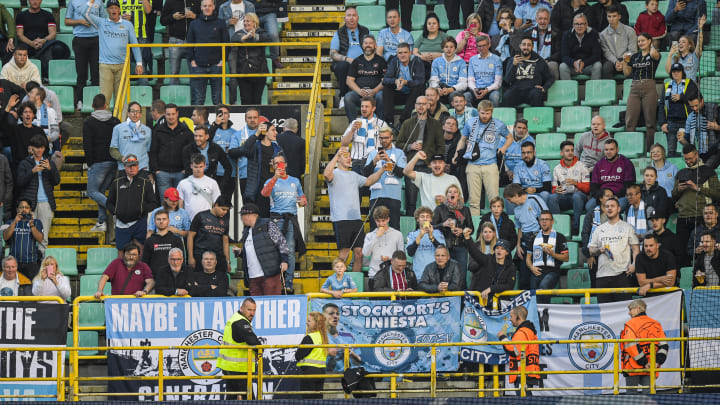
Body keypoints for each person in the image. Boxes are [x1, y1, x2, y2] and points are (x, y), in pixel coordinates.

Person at [324, 146, 384, 272]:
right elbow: (326, 174)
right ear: (339, 159)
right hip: (341, 219)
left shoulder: (353, 175)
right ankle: (340, 283)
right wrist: (336, 156)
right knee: (344, 253)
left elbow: (368, 181)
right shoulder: (334, 173)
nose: (349, 158)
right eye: (345, 156)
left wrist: (382, 170)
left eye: (349, 156)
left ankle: (354, 283)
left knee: (359, 253)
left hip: (356, 219)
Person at [455, 100, 512, 216]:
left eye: (487, 113)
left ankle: (495, 227)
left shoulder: (499, 124)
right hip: (473, 164)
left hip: (490, 165)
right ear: (478, 112)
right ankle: (475, 228)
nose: (485, 116)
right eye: (482, 113)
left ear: (491, 112)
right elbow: (462, 139)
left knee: (494, 200)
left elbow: (509, 137)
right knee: (473, 201)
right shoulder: (470, 123)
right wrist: (457, 154)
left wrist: (504, 148)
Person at [261, 154, 306, 293]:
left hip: (291, 219)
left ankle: (289, 282)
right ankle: (276, 281)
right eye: (276, 164)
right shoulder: (270, 180)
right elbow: (264, 193)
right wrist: (275, 177)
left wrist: (303, 201)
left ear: (285, 164)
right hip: (276, 219)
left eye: (281, 163)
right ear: (273, 166)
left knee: (290, 250)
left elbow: (302, 197)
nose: (279, 166)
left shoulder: (295, 181)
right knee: (275, 250)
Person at [83, 0, 143, 106]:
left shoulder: (128, 24)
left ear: (119, 10)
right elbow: (85, 14)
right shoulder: (102, 23)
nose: (113, 10)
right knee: (105, 97)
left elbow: (134, 44)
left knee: (121, 97)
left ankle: (120, 122)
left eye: (116, 7)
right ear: (107, 10)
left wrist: (139, 63)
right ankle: (105, 121)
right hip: (105, 65)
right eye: (111, 8)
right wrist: (91, 2)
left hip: (123, 66)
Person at [395, 96, 444, 215]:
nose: (421, 106)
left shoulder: (436, 124)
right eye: (418, 104)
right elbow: (398, 144)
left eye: (423, 104)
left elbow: (440, 147)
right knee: (411, 202)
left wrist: (435, 164)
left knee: (430, 200)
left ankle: (431, 229)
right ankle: (412, 230)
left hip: (428, 168)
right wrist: (410, 146)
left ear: (428, 105)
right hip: (412, 167)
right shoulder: (407, 123)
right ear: (415, 106)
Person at [588, 197, 640, 302]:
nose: (609, 208)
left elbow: (635, 249)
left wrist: (634, 264)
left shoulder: (627, 227)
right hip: (602, 276)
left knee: (623, 311)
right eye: (607, 206)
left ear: (619, 209)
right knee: (604, 312)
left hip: (622, 274)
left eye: (612, 206)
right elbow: (591, 250)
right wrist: (599, 250)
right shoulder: (599, 229)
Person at [228, 122, 284, 217]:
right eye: (273, 130)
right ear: (265, 132)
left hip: (274, 190)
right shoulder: (255, 147)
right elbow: (244, 149)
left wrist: (277, 165)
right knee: (257, 220)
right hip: (258, 189)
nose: (276, 133)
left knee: (273, 220)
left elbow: (283, 167)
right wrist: (256, 134)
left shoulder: (277, 148)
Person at [16, 134, 60, 250]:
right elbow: (19, 182)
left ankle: (41, 266)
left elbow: (57, 181)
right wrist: (33, 171)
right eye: (36, 147)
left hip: (46, 203)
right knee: (27, 237)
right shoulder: (25, 163)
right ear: (31, 148)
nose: (39, 150)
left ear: (45, 148)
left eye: (41, 147)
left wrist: (50, 169)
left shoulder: (49, 162)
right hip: (29, 205)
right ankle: (30, 266)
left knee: (43, 239)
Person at [84, 94, 120, 233]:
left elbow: (87, 144)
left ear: (93, 106)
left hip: (98, 162)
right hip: (113, 160)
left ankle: (116, 211)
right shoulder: (115, 121)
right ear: (105, 105)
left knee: (92, 192)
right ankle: (101, 221)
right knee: (100, 192)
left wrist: (90, 163)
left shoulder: (89, 122)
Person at [106, 154, 158, 251]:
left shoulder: (145, 183)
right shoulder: (116, 183)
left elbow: (153, 203)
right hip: (121, 223)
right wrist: (117, 211)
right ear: (124, 167)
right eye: (129, 166)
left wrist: (140, 210)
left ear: (138, 166)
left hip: (139, 222)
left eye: (134, 165)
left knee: (140, 248)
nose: (132, 168)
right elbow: (109, 203)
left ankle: (141, 267)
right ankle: (121, 267)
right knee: (121, 250)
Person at [672, 144, 720, 246]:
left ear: (696, 155)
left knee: (700, 248)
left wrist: (697, 187)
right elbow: (674, 195)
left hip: (701, 217)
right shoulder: (680, 173)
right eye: (685, 159)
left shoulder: (709, 172)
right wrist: (679, 189)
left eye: (690, 158)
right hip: (683, 216)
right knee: (682, 249)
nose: (688, 161)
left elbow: (717, 194)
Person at [237, 202, 289, 295]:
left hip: (270, 274)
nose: (241, 219)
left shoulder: (268, 224)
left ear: (249, 215)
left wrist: (284, 260)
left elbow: (282, 242)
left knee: (272, 305)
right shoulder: (246, 231)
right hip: (253, 276)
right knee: (256, 308)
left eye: (242, 215)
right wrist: (241, 252)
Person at [504, 183, 549, 290]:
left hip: (538, 242)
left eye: (510, 199)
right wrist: (518, 246)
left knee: (536, 277)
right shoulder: (516, 210)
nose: (509, 203)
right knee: (524, 279)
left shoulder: (534, 199)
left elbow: (546, 219)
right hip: (525, 243)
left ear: (515, 195)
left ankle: (537, 304)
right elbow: (520, 228)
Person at [620, 299, 669, 394]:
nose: (629, 313)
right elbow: (664, 346)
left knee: (631, 396)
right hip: (651, 366)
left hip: (633, 366)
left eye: (630, 309)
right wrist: (657, 362)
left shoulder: (630, 324)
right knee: (649, 395)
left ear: (638, 309)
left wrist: (644, 362)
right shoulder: (656, 324)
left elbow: (630, 345)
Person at [622, 33, 661, 152]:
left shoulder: (653, 54)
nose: (640, 43)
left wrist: (652, 46)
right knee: (630, 120)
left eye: (643, 40)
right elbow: (626, 73)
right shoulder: (634, 57)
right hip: (634, 86)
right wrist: (624, 61)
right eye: (638, 41)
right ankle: (630, 149)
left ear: (649, 41)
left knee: (650, 122)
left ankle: (650, 150)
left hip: (649, 86)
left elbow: (655, 54)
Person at [15, 0, 69, 84]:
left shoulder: (47, 15)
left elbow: (53, 33)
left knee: (57, 48)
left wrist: (43, 41)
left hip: (44, 43)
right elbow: (20, 35)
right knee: (20, 50)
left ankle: (48, 75)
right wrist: (31, 43)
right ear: (29, 1)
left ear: (41, 1)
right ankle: (43, 75)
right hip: (28, 44)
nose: (35, 2)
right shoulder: (21, 15)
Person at [217, 298, 261, 400]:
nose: (252, 313)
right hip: (237, 367)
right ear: (242, 308)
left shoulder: (235, 319)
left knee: (232, 396)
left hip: (230, 366)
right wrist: (260, 352)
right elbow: (253, 342)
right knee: (248, 397)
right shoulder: (241, 323)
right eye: (249, 310)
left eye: (254, 310)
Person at [186, 0, 229, 106]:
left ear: (214, 7)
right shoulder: (194, 24)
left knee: (217, 100)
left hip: (216, 65)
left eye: (209, 6)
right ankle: (198, 123)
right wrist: (192, 61)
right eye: (205, 6)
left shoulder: (221, 23)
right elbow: (189, 44)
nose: (207, 8)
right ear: (201, 7)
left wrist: (222, 61)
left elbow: (227, 44)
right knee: (198, 100)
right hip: (198, 66)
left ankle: (220, 122)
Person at [363, 126, 405, 229]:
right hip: (376, 195)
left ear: (391, 137)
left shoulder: (399, 153)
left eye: (386, 138)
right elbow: (366, 174)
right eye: (381, 138)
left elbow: (401, 173)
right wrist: (374, 161)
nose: (384, 140)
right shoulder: (373, 153)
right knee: (374, 227)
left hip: (393, 195)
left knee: (395, 226)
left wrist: (388, 160)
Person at [65, 0, 104, 110]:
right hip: (80, 39)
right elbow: (67, 21)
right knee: (81, 73)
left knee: (96, 72)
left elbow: (104, 20)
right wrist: (80, 21)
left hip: (96, 39)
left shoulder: (99, 1)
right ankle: (80, 100)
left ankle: (96, 103)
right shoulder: (73, 1)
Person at [151, 103, 194, 198]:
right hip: (162, 173)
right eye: (168, 114)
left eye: (173, 114)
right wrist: (156, 170)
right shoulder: (158, 130)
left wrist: (185, 170)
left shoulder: (186, 131)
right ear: (165, 115)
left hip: (181, 173)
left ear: (177, 113)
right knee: (165, 204)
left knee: (180, 203)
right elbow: (153, 151)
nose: (171, 117)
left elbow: (192, 151)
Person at [548, 141, 590, 235]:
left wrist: (576, 183)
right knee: (552, 197)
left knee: (577, 196)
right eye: (567, 150)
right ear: (561, 153)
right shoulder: (557, 168)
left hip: (580, 198)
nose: (570, 152)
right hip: (564, 197)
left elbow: (587, 189)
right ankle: (559, 228)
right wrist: (556, 190)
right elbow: (554, 188)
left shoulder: (582, 166)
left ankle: (576, 229)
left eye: (572, 150)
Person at [658, 63, 699, 158]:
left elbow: (695, 97)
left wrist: (681, 97)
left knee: (689, 149)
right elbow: (661, 105)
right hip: (671, 122)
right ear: (671, 73)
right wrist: (662, 123)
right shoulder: (667, 85)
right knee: (671, 151)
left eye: (678, 71)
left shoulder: (690, 83)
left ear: (682, 73)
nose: (676, 73)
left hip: (686, 121)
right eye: (674, 71)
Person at [217, 0, 255, 102]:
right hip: (231, 45)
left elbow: (255, 23)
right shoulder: (223, 7)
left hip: (247, 46)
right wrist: (228, 22)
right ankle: (232, 104)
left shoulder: (250, 5)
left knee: (247, 76)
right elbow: (218, 26)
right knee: (233, 77)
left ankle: (248, 103)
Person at [526, 210, 569, 298]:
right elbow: (528, 258)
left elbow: (566, 258)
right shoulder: (533, 237)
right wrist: (531, 267)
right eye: (542, 219)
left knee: (543, 287)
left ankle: (544, 311)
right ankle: (537, 311)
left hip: (552, 271)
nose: (544, 222)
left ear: (552, 222)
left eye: (547, 219)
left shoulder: (560, 237)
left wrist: (552, 254)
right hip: (536, 271)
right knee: (533, 295)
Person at [497, 306, 540, 394]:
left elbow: (514, 351)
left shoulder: (521, 332)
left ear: (518, 317)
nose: (510, 319)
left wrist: (502, 337)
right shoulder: (529, 331)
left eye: (511, 316)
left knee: (524, 400)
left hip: (523, 374)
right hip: (527, 372)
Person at [344, 36, 386, 123]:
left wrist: (374, 91)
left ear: (375, 45)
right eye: (366, 43)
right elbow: (349, 80)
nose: (368, 45)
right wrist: (359, 91)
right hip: (359, 94)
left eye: (370, 43)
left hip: (375, 94)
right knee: (348, 97)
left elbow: (384, 81)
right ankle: (353, 125)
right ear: (362, 46)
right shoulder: (356, 61)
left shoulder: (381, 61)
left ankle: (381, 125)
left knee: (382, 96)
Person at [381, 43, 425, 126]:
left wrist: (406, 82)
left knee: (419, 87)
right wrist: (396, 81)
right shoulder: (394, 61)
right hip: (399, 94)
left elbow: (421, 81)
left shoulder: (417, 61)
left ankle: (403, 121)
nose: (402, 55)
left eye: (405, 52)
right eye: (400, 53)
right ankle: (389, 122)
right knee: (387, 87)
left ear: (410, 53)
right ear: (397, 54)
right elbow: (385, 80)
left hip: (413, 96)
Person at [330, 7, 368, 101]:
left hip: (363, 63)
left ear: (358, 18)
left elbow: (372, 47)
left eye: (354, 15)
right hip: (346, 63)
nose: (351, 18)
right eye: (349, 15)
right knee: (343, 65)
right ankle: (343, 96)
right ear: (344, 18)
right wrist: (347, 59)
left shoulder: (365, 31)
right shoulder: (339, 33)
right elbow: (333, 53)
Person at [341, 97, 388, 174]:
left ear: (373, 108)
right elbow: (343, 143)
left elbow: (387, 144)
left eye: (367, 106)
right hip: (358, 162)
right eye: (362, 106)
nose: (363, 109)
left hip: (375, 162)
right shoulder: (354, 123)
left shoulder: (382, 124)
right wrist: (352, 130)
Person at [160, 0, 202, 86]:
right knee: (174, 73)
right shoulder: (170, 1)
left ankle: (195, 98)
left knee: (194, 72)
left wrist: (195, 16)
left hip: (193, 41)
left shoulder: (197, 1)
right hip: (175, 40)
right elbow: (162, 21)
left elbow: (206, 18)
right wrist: (173, 17)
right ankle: (173, 97)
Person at [588, 139, 635, 212]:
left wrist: (616, 196)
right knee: (589, 206)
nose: (608, 152)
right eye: (606, 150)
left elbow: (629, 185)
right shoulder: (599, 164)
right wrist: (602, 197)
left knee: (618, 206)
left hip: (619, 196)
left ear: (617, 150)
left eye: (611, 149)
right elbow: (594, 186)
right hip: (603, 196)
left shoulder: (626, 163)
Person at [188, 195, 232, 272]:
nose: (225, 212)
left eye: (227, 210)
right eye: (223, 209)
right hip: (200, 255)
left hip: (218, 257)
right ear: (216, 205)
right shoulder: (201, 216)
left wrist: (227, 261)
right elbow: (190, 236)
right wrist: (190, 257)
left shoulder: (225, 220)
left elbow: (225, 242)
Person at [232, 13, 269, 105]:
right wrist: (244, 37)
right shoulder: (239, 32)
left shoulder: (261, 32)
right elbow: (234, 39)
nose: (245, 23)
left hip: (260, 71)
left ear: (254, 22)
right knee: (245, 100)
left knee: (257, 100)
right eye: (244, 21)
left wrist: (254, 35)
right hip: (244, 71)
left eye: (248, 21)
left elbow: (267, 38)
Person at [295, 312, 333, 400]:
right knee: (318, 399)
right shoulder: (323, 337)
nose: (307, 323)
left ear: (316, 323)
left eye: (309, 321)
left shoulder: (310, 337)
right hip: (321, 372)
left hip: (309, 373)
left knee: (308, 399)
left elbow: (298, 355)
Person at [2, 199, 43, 279]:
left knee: (29, 288)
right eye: (21, 207)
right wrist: (14, 222)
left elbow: (40, 239)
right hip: (14, 263)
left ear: (30, 209)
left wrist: (32, 226)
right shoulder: (10, 222)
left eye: (26, 207)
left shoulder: (37, 222)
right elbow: (5, 237)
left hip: (31, 262)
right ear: (17, 209)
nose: (24, 209)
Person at [582, 188, 615, 287]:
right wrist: (589, 255)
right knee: (596, 284)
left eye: (612, 196)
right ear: (601, 198)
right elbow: (585, 234)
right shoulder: (591, 214)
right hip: (595, 255)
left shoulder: (616, 215)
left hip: (612, 254)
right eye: (608, 196)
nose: (611, 198)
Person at [362, 205, 404, 279]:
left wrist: (390, 258)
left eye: (383, 220)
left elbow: (401, 255)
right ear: (375, 220)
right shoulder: (370, 235)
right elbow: (366, 253)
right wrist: (376, 237)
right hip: (374, 274)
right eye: (378, 221)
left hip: (392, 274)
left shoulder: (397, 234)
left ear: (388, 219)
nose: (381, 224)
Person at [679, 94, 720, 169]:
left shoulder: (715, 109)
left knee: (705, 170)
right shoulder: (690, 117)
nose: (694, 108)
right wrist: (682, 140)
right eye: (692, 106)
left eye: (696, 105)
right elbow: (688, 142)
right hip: (701, 153)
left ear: (702, 101)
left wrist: (718, 127)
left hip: (717, 149)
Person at [109, 102, 152, 173]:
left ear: (141, 114)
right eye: (133, 111)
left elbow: (149, 151)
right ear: (128, 113)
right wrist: (123, 159)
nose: (135, 114)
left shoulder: (147, 130)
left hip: (142, 169)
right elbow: (113, 150)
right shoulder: (118, 128)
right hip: (124, 168)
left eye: (138, 112)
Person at [177, 154, 222, 221]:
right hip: (188, 221)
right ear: (191, 166)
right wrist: (181, 220)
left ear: (205, 166)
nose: (198, 169)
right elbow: (180, 205)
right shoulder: (183, 183)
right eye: (196, 167)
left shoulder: (212, 183)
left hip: (207, 221)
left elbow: (217, 204)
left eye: (201, 167)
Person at [406, 206, 446, 280]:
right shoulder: (412, 234)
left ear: (430, 219)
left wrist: (431, 237)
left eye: (427, 217)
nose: (425, 219)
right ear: (417, 219)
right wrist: (420, 236)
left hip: (435, 276)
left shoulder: (438, 233)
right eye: (422, 216)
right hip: (419, 275)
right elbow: (410, 253)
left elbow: (443, 250)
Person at [559, 14, 602, 80]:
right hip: (573, 66)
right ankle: (569, 90)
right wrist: (574, 63)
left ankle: (594, 89)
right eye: (576, 24)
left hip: (588, 65)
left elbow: (597, 55)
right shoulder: (567, 35)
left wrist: (584, 63)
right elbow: (564, 56)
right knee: (562, 66)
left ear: (586, 24)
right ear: (573, 25)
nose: (579, 26)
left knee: (598, 65)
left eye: (582, 24)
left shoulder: (593, 34)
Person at [599, 5, 638, 79]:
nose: (611, 19)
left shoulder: (630, 31)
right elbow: (606, 52)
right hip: (612, 61)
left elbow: (633, 51)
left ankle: (628, 90)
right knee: (606, 67)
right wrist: (616, 62)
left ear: (619, 17)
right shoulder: (603, 34)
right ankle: (609, 90)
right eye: (609, 16)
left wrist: (624, 62)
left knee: (632, 65)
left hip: (627, 59)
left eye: (614, 16)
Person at [510, 141, 552, 207]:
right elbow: (516, 186)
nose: (526, 155)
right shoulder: (518, 167)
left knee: (545, 194)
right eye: (523, 153)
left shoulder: (543, 165)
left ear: (534, 153)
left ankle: (542, 215)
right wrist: (524, 190)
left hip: (539, 192)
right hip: (524, 193)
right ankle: (513, 217)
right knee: (510, 196)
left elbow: (548, 187)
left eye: (529, 152)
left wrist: (535, 190)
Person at [142, 210, 184, 276]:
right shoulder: (149, 241)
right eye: (158, 219)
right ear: (155, 222)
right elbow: (145, 263)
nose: (161, 221)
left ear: (168, 221)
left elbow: (182, 261)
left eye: (164, 219)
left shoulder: (176, 240)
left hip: (173, 277)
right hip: (155, 279)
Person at [211, 105, 241, 197]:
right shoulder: (212, 131)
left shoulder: (235, 133)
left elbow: (239, 151)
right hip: (214, 173)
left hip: (230, 173)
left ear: (229, 115)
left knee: (226, 203)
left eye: (225, 113)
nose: (223, 116)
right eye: (220, 113)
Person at [322, 303, 362, 372]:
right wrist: (327, 353)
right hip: (328, 376)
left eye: (337, 314)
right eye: (331, 313)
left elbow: (358, 362)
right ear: (323, 316)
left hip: (348, 376)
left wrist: (350, 353)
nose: (335, 316)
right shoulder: (319, 337)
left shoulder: (349, 337)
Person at [466, 35, 503, 107]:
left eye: (484, 45)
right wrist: (474, 89)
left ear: (489, 45)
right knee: (465, 96)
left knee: (495, 96)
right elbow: (470, 80)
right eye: (479, 46)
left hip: (491, 90)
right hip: (476, 89)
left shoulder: (496, 59)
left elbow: (498, 83)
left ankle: (492, 117)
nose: (481, 48)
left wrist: (486, 90)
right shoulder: (472, 59)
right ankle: (472, 116)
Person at [429, 38, 467, 105]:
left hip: (454, 90)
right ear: (443, 48)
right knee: (431, 94)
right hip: (440, 89)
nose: (449, 49)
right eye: (446, 47)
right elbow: (433, 80)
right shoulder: (436, 61)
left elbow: (463, 83)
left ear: (455, 48)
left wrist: (451, 89)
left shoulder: (461, 62)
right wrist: (437, 88)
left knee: (455, 96)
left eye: (451, 47)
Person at [526, 8, 559, 80]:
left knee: (552, 65)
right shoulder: (529, 33)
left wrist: (547, 60)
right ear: (536, 19)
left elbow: (559, 52)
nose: (543, 21)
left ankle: (554, 89)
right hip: (533, 59)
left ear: (549, 20)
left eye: (545, 19)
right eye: (540, 19)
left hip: (548, 60)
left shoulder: (556, 33)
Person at [413, 14, 449, 80]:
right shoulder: (423, 36)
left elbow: (451, 50)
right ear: (426, 26)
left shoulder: (443, 36)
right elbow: (415, 51)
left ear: (438, 25)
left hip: (439, 62)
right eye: (429, 23)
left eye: (434, 23)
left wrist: (439, 55)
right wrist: (422, 57)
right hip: (423, 62)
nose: (431, 25)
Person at [27, 86, 59, 152]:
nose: (28, 94)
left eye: (31, 93)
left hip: (45, 147)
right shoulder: (25, 111)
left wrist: (46, 138)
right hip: (27, 147)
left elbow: (56, 132)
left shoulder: (50, 111)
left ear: (38, 97)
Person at [503, 119, 533, 185]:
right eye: (519, 127)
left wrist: (518, 172)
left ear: (527, 130)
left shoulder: (530, 140)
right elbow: (499, 156)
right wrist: (507, 171)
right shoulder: (505, 139)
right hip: (506, 171)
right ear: (514, 128)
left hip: (523, 171)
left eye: (524, 128)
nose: (521, 130)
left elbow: (530, 159)